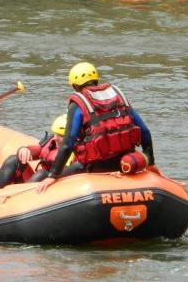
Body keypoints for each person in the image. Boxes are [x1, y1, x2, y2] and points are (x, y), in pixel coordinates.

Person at [37, 62, 155, 193]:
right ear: (96, 80)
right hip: (123, 164)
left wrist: (52, 175)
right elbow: (145, 131)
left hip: (96, 168)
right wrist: (150, 162)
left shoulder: (78, 104)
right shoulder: (118, 97)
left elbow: (68, 143)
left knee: (43, 174)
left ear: (75, 86)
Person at [0, 114, 68, 188]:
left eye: (61, 135)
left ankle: (22, 194)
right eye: (55, 134)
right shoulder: (51, 141)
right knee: (13, 159)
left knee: (42, 174)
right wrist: (23, 149)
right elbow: (37, 150)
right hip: (38, 184)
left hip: (56, 185)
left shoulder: (73, 152)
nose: (55, 138)